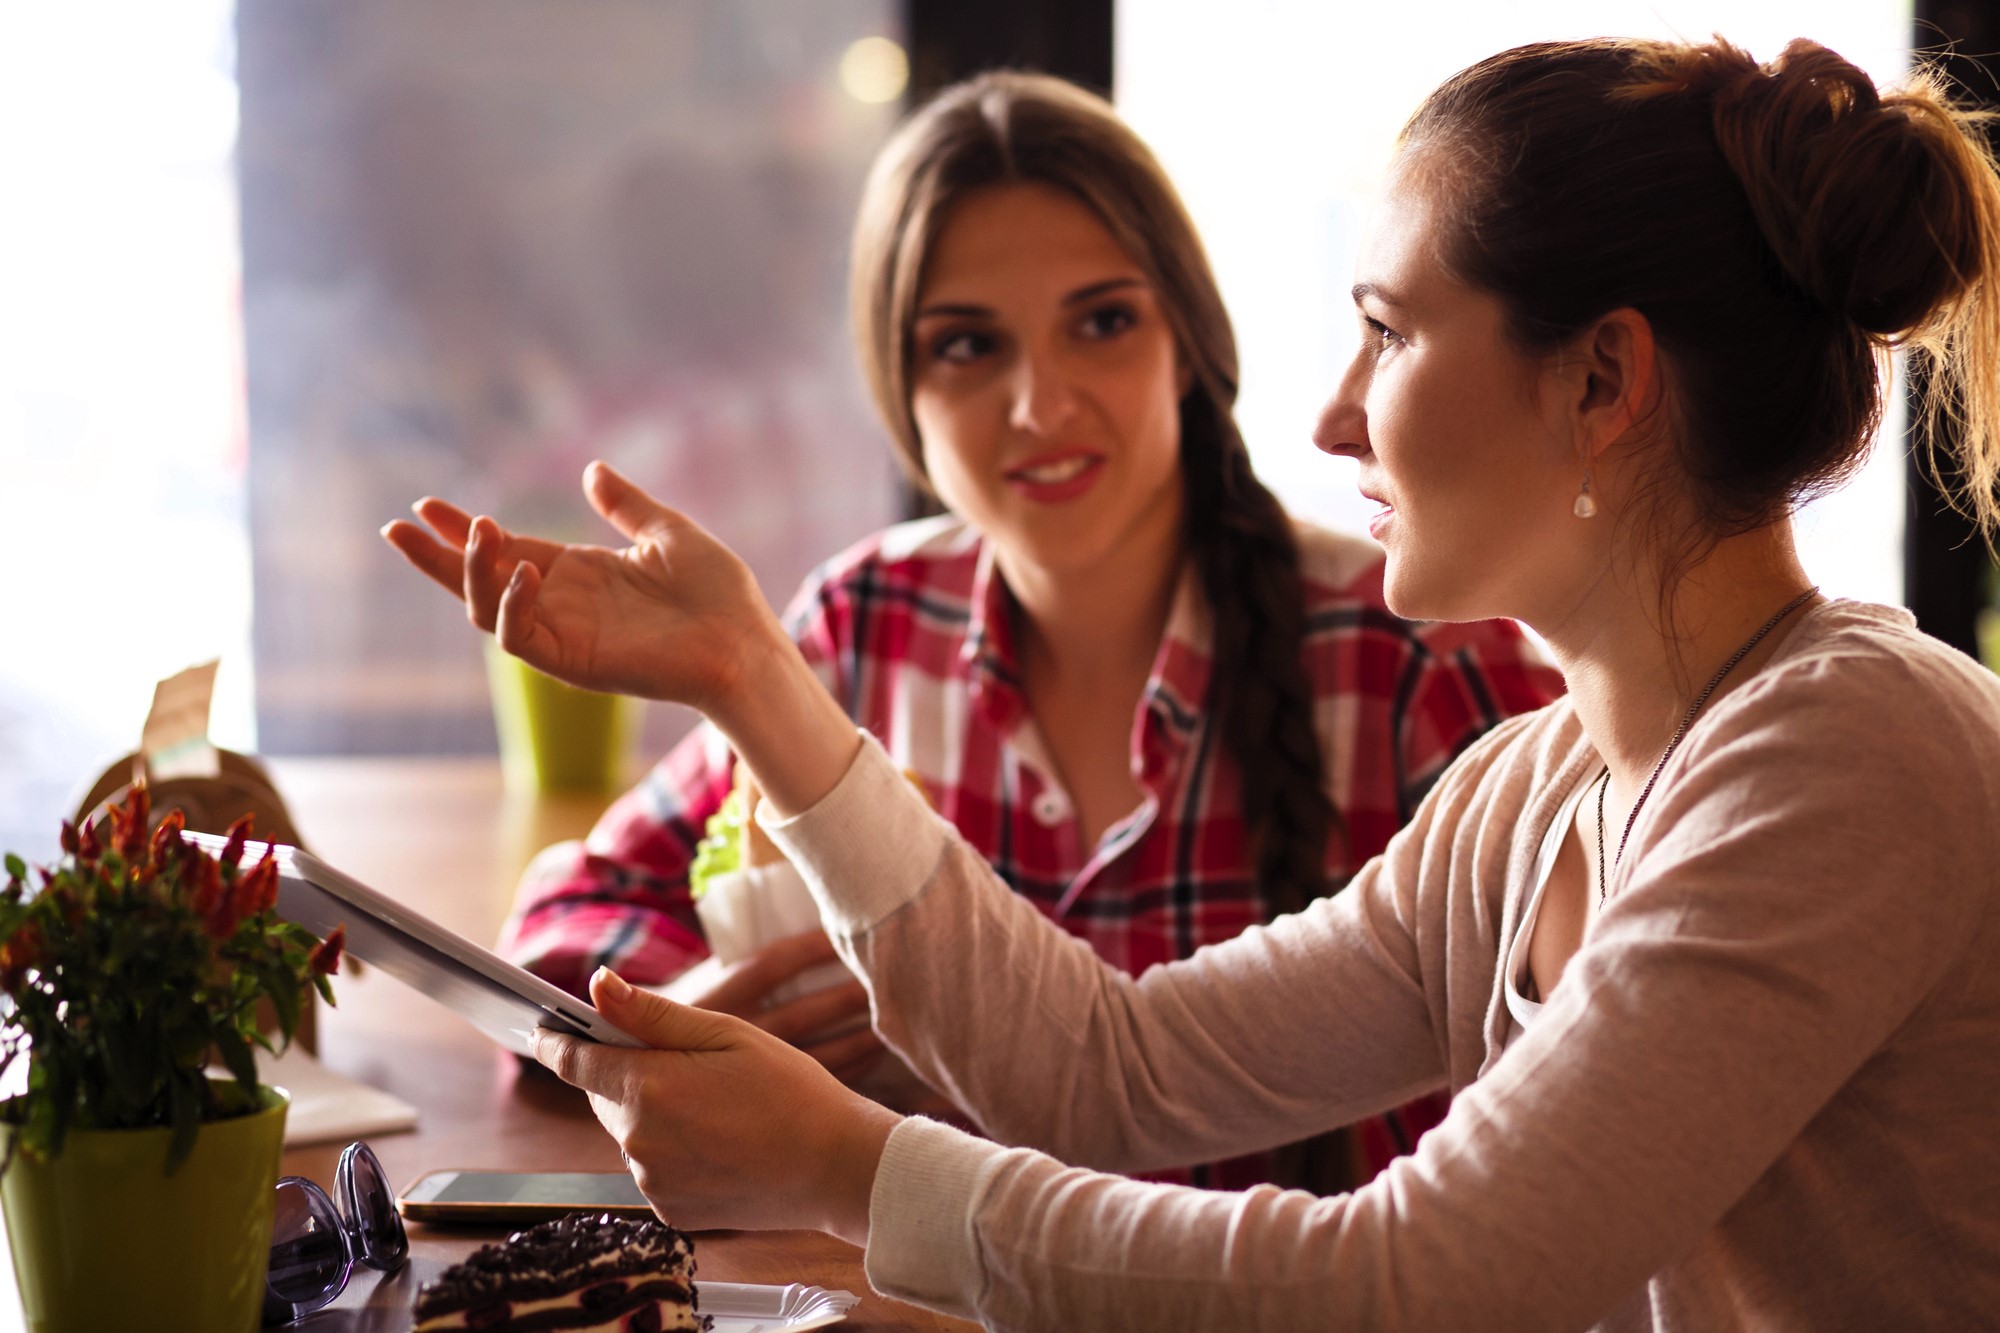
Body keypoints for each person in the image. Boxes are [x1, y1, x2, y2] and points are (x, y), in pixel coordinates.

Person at [394, 35, 2000, 1328]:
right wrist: (753, 674)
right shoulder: (1545, 794)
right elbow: (1108, 1069)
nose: (1330, 417)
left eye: (1387, 333)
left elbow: (1428, 1280)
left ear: (1601, 383)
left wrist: (853, 1169)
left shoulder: (1846, 752)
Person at [389, 71, 1561, 1192]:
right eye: (967, 345)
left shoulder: (1421, 657)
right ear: (899, 395)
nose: (1039, 404)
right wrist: (699, 1009)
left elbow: (1560, 1119)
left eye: (1100, 322)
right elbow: (568, 919)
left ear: (1189, 345)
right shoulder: (864, 628)